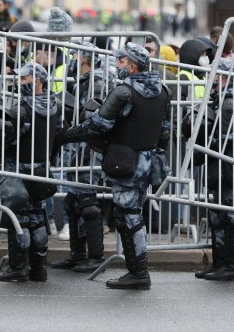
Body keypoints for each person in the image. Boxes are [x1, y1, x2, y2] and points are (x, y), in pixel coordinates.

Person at [53, 42, 171, 290]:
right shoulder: (163, 91)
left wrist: (66, 135)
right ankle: (137, 271)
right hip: (148, 162)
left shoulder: (124, 92)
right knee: (133, 214)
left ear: (132, 65)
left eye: (120, 62)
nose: (117, 66)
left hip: (126, 161)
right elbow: (164, 132)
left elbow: (98, 125)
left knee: (128, 216)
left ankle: (138, 273)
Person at [182, 59, 234, 281]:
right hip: (223, 168)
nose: (209, 78)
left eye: (212, 74)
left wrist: (200, 142)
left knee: (231, 217)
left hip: (231, 168)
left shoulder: (230, 102)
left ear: (220, 76)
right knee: (218, 216)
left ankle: (230, 266)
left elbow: (224, 139)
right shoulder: (223, 99)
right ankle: (219, 263)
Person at [0, 62, 59, 282]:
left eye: (24, 79)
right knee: (38, 216)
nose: (18, 83)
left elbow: (2, 134)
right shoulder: (55, 105)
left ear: (36, 81)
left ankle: (18, 267)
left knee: (19, 218)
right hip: (41, 168)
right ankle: (39, 268)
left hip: (20, 169)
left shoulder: (22, 109)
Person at [51, 47, 113, 273]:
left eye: (75, 55)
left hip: (91, 147)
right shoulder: (82, 80)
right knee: (73, 200)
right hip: (79, 144)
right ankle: (77, 255)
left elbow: (94, 117)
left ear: (86, 58)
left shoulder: (97, 81)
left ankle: (96, 257)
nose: (71, 60)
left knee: (87, 201)